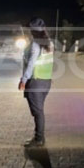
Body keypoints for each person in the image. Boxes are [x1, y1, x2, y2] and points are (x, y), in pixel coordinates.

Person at [19, 17, 53, 147]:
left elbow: (31, 63)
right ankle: (39, 137)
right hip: (46, 81)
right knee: (39, 111)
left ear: (32, 30)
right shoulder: (49, 43)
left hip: (36, 81)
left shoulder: (35, 44)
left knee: (38, 112)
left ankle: (39, 139)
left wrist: (23, 80)